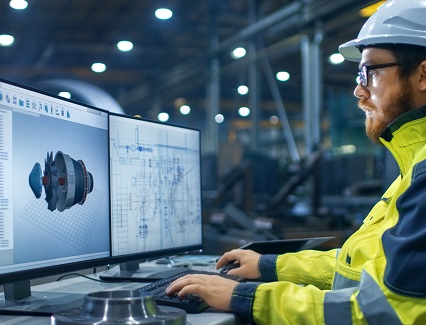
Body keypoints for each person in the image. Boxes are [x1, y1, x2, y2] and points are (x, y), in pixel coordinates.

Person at [165, 1, 426, 323]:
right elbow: (362, 268)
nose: (359, 90)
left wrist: (243, 297)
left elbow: (395, 312)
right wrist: (269, 266)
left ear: (423, 74)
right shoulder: (413, 166)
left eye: (368, 71)